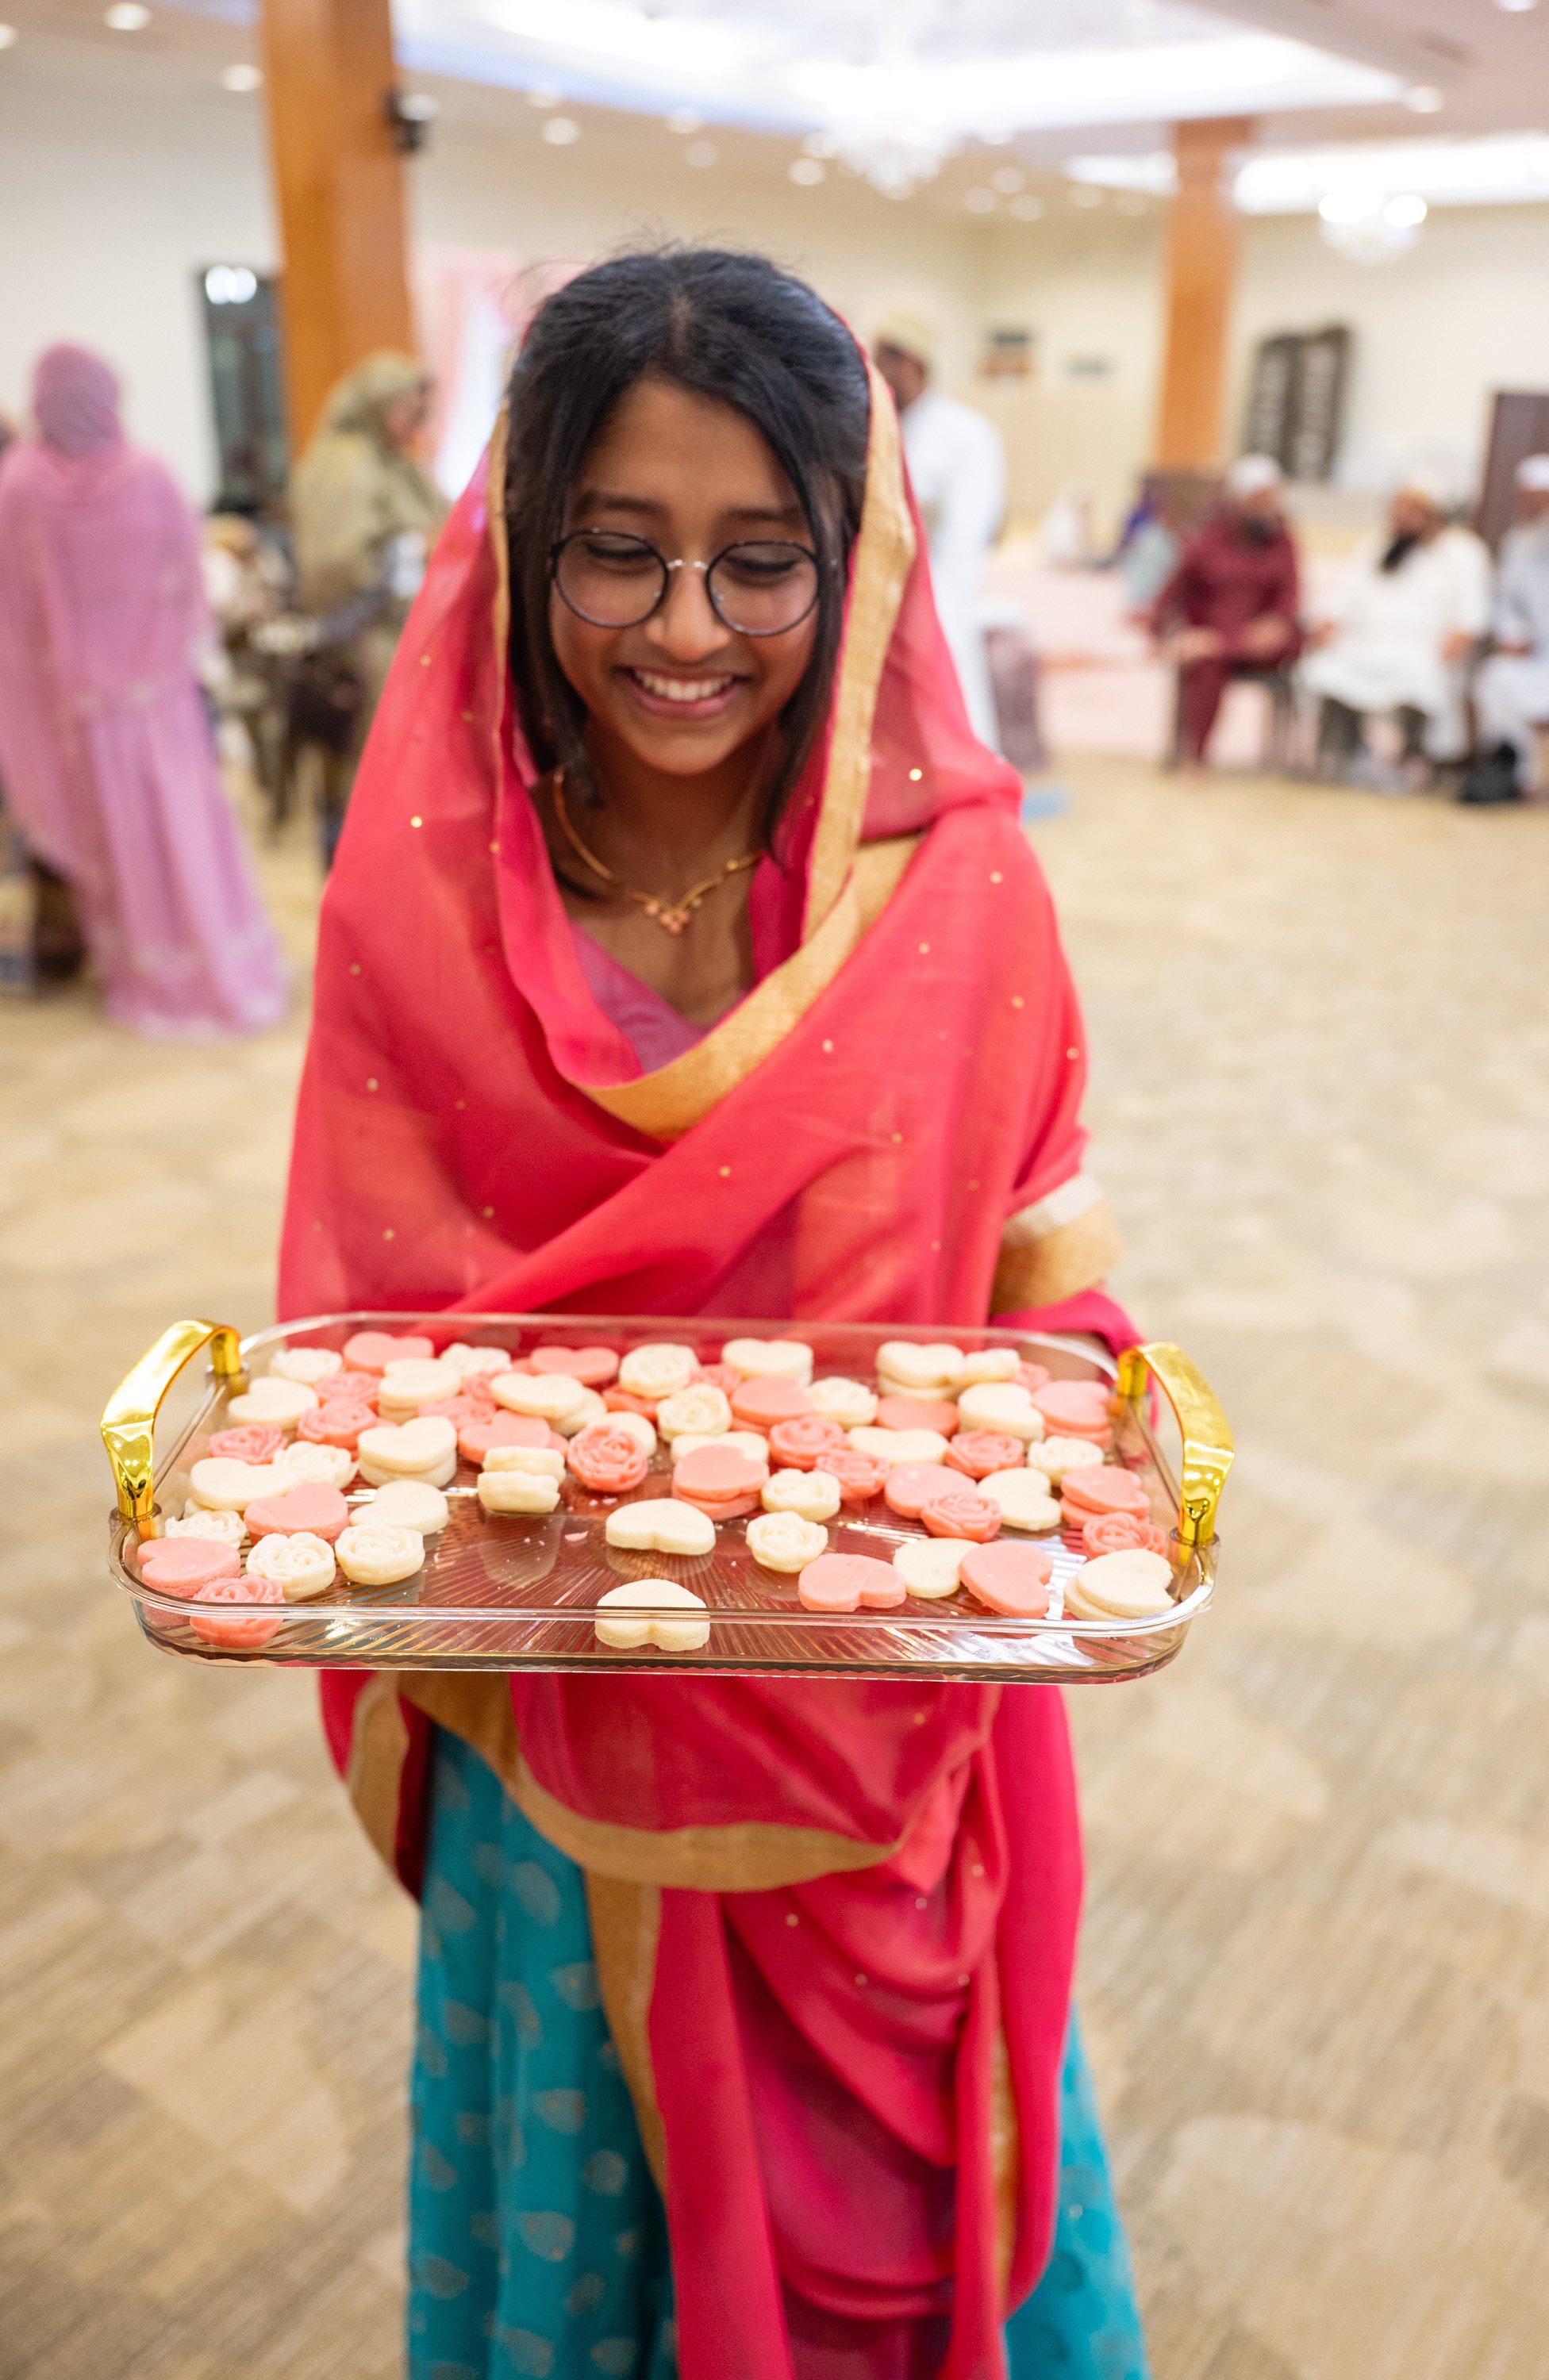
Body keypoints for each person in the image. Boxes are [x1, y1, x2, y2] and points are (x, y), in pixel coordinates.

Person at [281, 248, 1150, 2380]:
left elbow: (1037, 1295)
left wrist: (1088, 1447)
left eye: (760, 560)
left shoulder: (957, 894)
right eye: (620, 550)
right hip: (558, 1710)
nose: (684, 630)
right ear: (522, 549)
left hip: (876, 1708)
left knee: (896, 2222)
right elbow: (372, 1350)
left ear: (855, 569)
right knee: (585, 2223)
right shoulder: (426, 893)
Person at [0, 344, 286, 1035]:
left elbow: (14, 618)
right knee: (181, 831)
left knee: (123, 842)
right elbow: (188, 589)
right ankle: (194, 965)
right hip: (159, 701)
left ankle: (147, 972)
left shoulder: (22, 485)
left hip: (82, 713)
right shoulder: (143, 475)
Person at [286, 351, 448, 857]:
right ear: (379, 403)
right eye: (409, 408)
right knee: (370, 767)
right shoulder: (346, 462)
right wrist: (414, 546)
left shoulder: (395, 460)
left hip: (408, 633)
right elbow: (338, 564)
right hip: (364, 641)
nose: (417, 421)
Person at [1301, 473, 1490, 789]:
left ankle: (1412, 760)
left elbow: (1472, 611)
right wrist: (1328, 621)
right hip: (1366, 644)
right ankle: (1343, 755)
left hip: (1427, 650)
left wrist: (1461, 637)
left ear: (1433, 514)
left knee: (1422, 678)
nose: (1399, 515)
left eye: (1410, 509)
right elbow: (1342, 596)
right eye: (1396, 507)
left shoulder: (1463, 552)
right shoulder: (1376, 546)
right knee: (1325, 668)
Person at [872, 310, 1006, 749]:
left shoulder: (965, 434)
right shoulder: (876, 428)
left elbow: (966, 537)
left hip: (939, 598)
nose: (876, 373)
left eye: (883, 360)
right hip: (877, 599)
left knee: (949, 718)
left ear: (911, 363)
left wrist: (936, 611)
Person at [1147, 453, 1303, 770]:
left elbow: (1290, 598)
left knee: (1277, 640)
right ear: (1239, 499)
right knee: (1205, 662)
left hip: (1261, 643)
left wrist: (1276, 623)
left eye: (1271, 500)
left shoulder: (1282, 543)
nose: (1267, 508)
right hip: (1213, 639)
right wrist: (1158, 633)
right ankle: (1196, 758)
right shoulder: (1208, 541)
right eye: (1259, 500)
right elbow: (1172, 591)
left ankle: (1212, 645)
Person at [1471, 452, 1549, 799]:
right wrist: (1513, 635)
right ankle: (1521, 776)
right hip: (1539, 654)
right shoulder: (1518, 542)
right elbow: (1507, 602)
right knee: (1495, 680)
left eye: (1540, 500)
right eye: (1527, 500)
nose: (1532, 508)